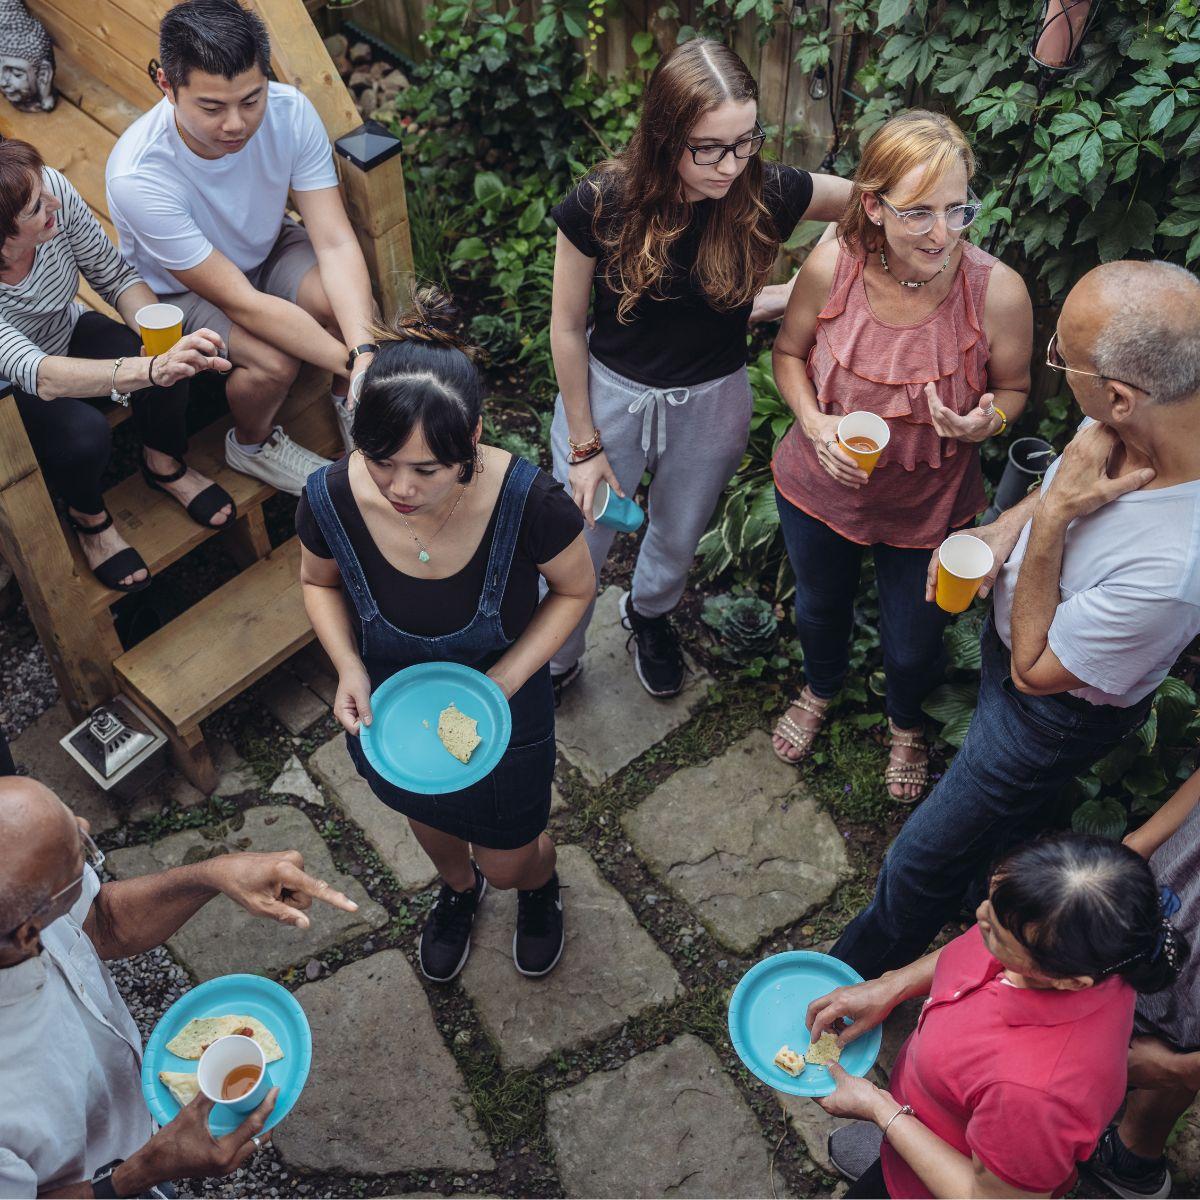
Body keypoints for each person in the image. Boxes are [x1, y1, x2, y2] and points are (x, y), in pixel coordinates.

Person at [832, 259, 1200, 980]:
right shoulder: (1158, 413)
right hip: (1028, 665)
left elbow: (1035, 673)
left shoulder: (1175, 570)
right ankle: (979, 905)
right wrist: (1006, 532)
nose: (1055, 367)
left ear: (1121, 396)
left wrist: (1056, 510)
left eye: (1064, 357)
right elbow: (1065, 490)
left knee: (917, 860)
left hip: (1048, 712)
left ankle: (850, 981)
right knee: (994, 828)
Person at [298, 290, 594, 983]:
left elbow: (577, 590)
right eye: (381, 459)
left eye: (426, 469)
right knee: (425, 816)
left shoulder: (532, 504)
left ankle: (533, 883)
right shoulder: (330, 496)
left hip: (507, 706)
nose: (400, 487)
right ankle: (458, 892)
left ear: (473, 438)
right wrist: (346, 666)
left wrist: (506, 681)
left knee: (509, 855)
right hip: (394, 710)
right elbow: (318, 583)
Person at [546, 37, 852, 700]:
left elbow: (865, 204)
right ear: (664, 135)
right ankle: (555, 655)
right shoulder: (603, 202)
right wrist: (583, 443)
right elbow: (567, 328)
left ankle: (649, 616)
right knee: (577, 542)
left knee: (680, 535)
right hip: (608, 398)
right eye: (709, 147)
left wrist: (812, 285)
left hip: (713, 401)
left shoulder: (765, 191)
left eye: (745, 142)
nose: (730, 164)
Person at [769, 109, 1033, 801]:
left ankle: (907, 720)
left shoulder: (997, 291)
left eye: (957, 209)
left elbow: (1014, 387)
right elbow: (788, 354)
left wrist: (988, 420)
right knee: (819, 610)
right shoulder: (832, 266)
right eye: (918, 213)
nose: (942, 235)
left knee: (915, 642)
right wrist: (814, 422)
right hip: (817, 491)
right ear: (873, 206)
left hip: (931, 507)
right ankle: (821, 686)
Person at [0, 774, 359, 1197]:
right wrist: (142, 1172)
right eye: (80, 856)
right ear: (28, 935)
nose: (86, 823)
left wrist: (215, 874)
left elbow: (102, 924)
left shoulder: (18, 911)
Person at [805, 833, 1188, 1199]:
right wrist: (892, 985)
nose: (980, 917)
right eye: (989, 902)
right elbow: (973, 947)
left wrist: (880, 1109)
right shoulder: (1052, 928)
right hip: (935, 1119)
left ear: (1069, 981)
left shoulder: (1036, 1097)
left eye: (995, 934)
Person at [106, 0, 380, 496]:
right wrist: (366, 368)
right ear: (167, 86)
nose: (236, 124)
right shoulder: (138, 174)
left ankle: (352, 406)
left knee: (348, 303)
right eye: (212, 107)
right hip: (182, 291)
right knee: (275, 362)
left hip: (268, 246)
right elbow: (240, 301)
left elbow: (336, 242)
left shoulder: (291, 111)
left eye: (251, 100)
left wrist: (364, 351)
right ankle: (252, 445)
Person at [0, 138, 234, 593]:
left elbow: (114, 275)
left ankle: (163, 461)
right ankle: (89, 518)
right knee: (82, 434)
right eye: (34, 208)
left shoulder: (53, 193)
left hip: (65, 329)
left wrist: (164, 343)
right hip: (13, 384)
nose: (52, 199)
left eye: (44, 184)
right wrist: (150, 370)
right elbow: (40, 375)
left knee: (164, 352)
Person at [1083, 764, 1200, 1199]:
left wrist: (1180, 1071)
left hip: (1190, 1019)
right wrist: (1135, 847)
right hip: (1165, 907)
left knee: (1168, 1058)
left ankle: (1129, 1166)